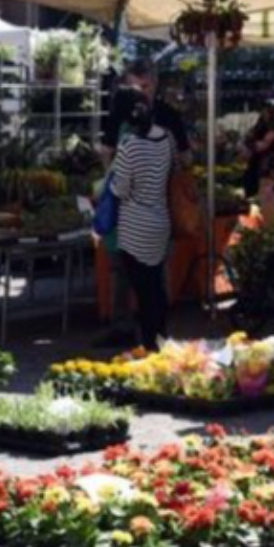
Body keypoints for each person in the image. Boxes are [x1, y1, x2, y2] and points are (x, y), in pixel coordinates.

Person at [96, 59, 193, 345]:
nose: (140, 92)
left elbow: (120, 183)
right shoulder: (163, 136)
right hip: (157, 215)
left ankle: (149, 335)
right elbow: (180, 162)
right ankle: (149, 332)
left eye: (145, 86)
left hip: (134, 219)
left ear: (155, 84)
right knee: (142, 278)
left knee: (144, 279)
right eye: (134, 87)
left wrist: (117, 176)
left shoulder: (141, 137)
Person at [110, 87, 176, 349]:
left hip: (134, 226)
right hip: (161, 220)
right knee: (156, 285)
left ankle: (150, 342)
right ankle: (161, 335)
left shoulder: (130, 146)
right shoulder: (167, 139)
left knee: (142, 289)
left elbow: (121, 188)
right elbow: (172, 171)